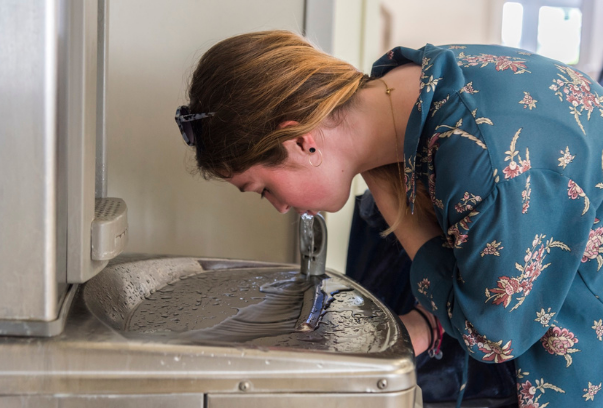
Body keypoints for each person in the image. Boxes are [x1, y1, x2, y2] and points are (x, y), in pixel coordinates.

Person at [175, 30, 603, 406]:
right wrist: (422, 322)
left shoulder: (486, 161)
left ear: (302, 142)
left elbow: (491, 336)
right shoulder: (407, 84)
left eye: (264, 189)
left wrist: (383, 188)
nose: (280, 207)